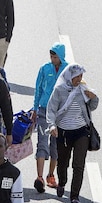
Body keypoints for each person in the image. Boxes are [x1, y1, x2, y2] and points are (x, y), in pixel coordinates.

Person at [46, 64, 99, 203]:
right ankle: (62, 182)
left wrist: (93, 97)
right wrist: (52, 125)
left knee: (79, 164)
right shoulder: (59, 90)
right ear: (69, 77)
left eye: (81, 76)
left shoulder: (83, 89)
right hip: (63, 132)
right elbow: (51, 110)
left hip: (81, 131)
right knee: (63, 162)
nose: (79, 79)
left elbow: (92, 106)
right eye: (76, 76)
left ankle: (75, 196)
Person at [31, 43, 67, 193]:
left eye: (55, 56)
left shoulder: (67, 69)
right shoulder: (45, 68)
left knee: (56, 145)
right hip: (44, 110)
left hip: (60, 112)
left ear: (61, 56)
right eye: (51, 56)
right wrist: (35, 108)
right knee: (42, 143)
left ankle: (51, 175)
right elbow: (38, 88)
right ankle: (39, 177)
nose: (53, 59)